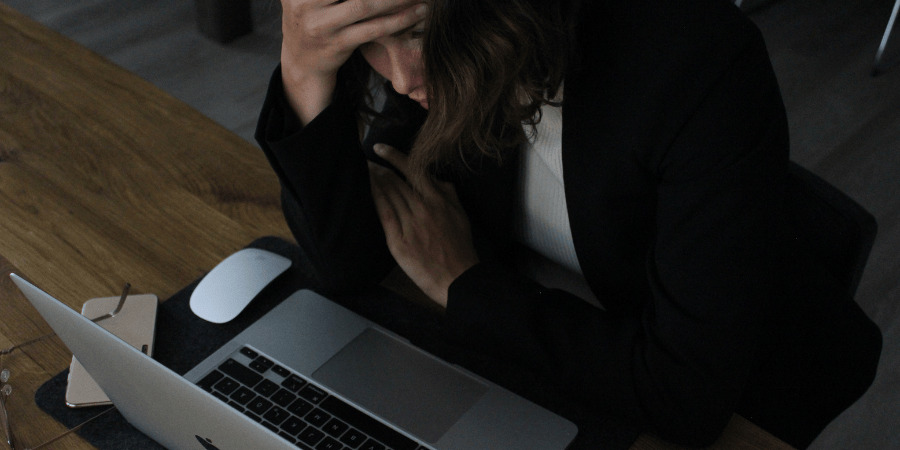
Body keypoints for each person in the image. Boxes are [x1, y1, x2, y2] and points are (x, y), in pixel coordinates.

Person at [255, 0, 882, 447]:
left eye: (417, 34)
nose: (401, 79)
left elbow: (684, 400)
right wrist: (304, 67)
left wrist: (462, 283)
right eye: (367, 40)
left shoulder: (697, 61)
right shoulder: (435, 48)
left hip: (729, 393)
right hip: (547, 357)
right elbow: (350, 262)